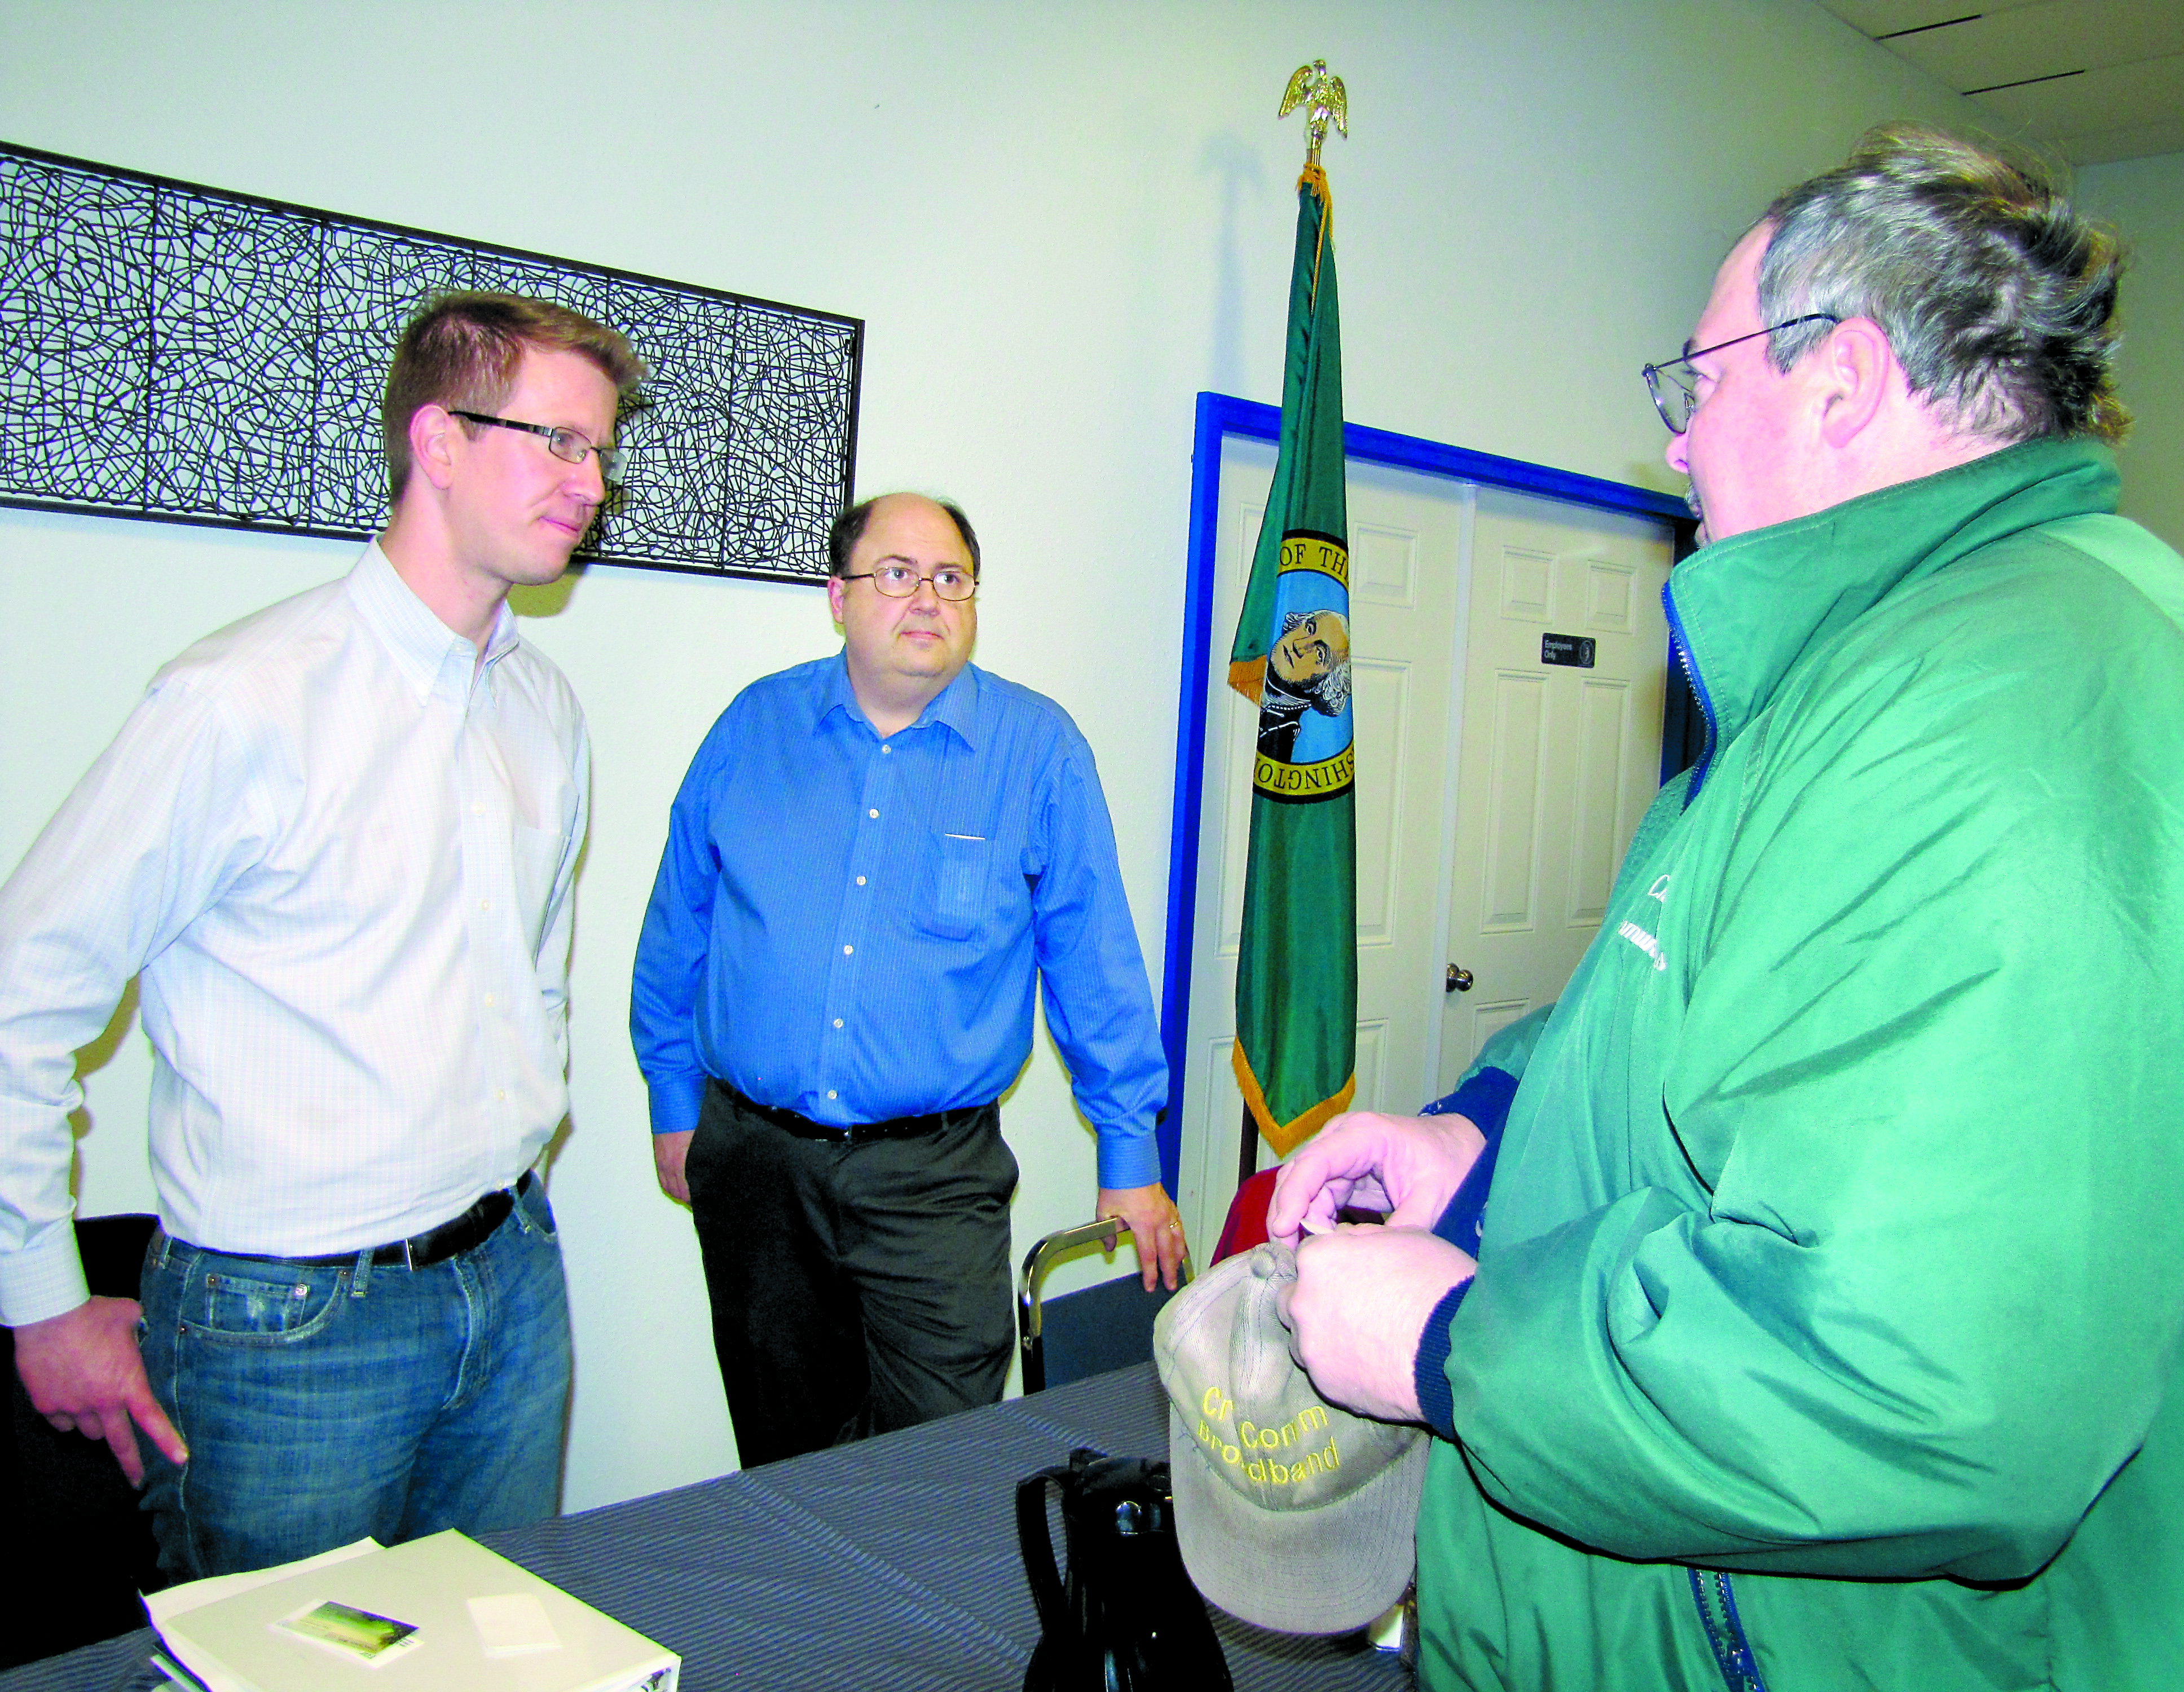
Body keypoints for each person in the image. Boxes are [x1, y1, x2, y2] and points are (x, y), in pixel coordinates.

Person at [1266, 124, 2184, 1691]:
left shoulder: (2013, 726)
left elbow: (1921, 1388)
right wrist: (1482, 1131)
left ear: (1842, 378)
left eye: (1697, 384)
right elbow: (1688, 1017)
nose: (1673, 445)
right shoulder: (1873, 677)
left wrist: (1452, 1347)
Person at [0, 291, 644, 1579]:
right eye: (558, 442)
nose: (591, 483)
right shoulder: (239, 699)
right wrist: (40, 1296)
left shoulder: (543, 706)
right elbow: (24, 987)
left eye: (601, 450)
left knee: (497, 1653)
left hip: (510, 1279)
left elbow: (534, 975)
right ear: (437, 441)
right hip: (288, 1325)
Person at [631, 491, 1187, 1469]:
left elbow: (1090, 956)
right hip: (755, 1168)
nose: (926, 598)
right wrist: (674, 1097)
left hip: (931, 1183)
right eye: (896, 573)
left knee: (940, 1461)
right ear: (837, 597)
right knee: (784, 1455)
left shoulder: (1037, 749)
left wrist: (1129, 1156)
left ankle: (906, 1627)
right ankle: (807, 1624)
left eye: (951, 579)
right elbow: (680, 923)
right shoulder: (756, 728)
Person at [1256, 607, 1350, 763]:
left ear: (1326, 684)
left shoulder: (1280, 737)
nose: (1299, 646)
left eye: (1320, 654)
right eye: (1309, 628)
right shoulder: (1249, 677)